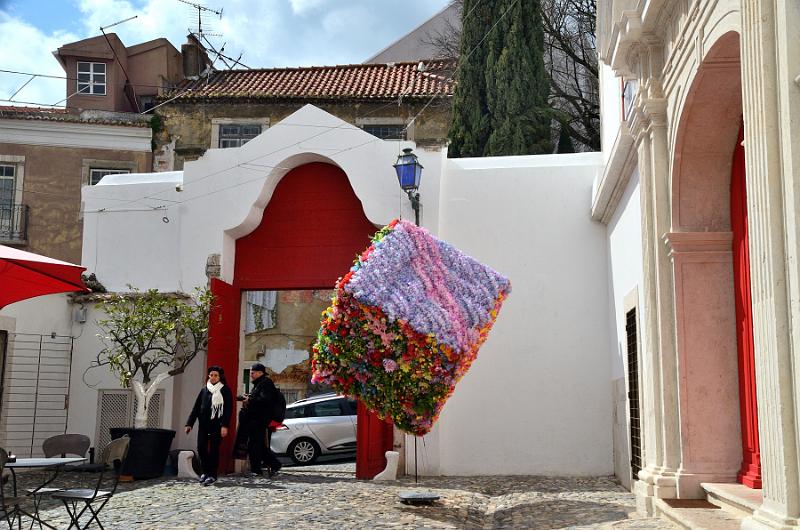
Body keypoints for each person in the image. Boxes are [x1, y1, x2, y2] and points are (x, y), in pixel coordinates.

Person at [185, 365, 233, 486]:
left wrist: (225, 426)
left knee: (214, 450)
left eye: (215, 375)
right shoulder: (204, 389)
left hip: (217, 426)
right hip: (204, 425)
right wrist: (189, 423)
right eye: (211, 375)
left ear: (220, 377)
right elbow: (196, 407)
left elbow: (228, 410)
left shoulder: (225, 390)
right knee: (201, 447)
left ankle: (212, 474)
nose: (213, 377)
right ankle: (205, 472)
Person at [240, 363, 282, 477]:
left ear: (260, 373)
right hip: (256, 418)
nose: (251, 375)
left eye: (252, 373)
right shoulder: (259, 383)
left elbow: (265, 399)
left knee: (255, 444)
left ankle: (259, 469)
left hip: (260, 419)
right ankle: (273, 464)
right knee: (256, 444)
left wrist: (250, 399)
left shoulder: (265, 383)